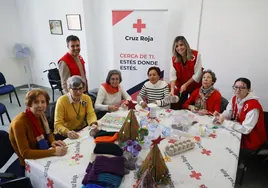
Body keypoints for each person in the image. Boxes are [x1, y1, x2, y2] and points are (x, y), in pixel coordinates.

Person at [9, 89, 67, 168]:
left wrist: (52, 141)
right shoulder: (19, 123)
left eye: (43, 102)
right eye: (36, 102)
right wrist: (53, 152)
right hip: (28, 162)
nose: (40, 105)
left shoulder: (41, 115)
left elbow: (48, 132)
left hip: (42, 150)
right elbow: (25, 153)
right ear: (30, 104)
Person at [214, 78, 267, 151]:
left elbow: (246, 129)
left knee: (222, 147)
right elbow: (228, 112)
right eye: (236, 87)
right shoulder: (235, 98)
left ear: (249, 90)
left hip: (250, 139)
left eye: (242, 88)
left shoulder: (253, 106)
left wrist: (225, 122)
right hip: (238, 132)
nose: (238, 90)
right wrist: (221, 116)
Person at [54, 76, 98, 140]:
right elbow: (57, 124)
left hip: (80, 129)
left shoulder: (86, 98)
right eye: (74, 89)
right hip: (66, 132)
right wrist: (67, 132)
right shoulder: (62, 101)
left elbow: (90, 114)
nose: (78, 92)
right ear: (69, 89)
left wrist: (93, 123)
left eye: (80, 88)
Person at [170, 36, 203, 109]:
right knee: (179, 105)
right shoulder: (174, 59)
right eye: (177, 46)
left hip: (194, 85)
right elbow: (172, 75)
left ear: (186, 45)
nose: (179, 48)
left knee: (194, 106)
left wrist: (186, 84)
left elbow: (198, 74)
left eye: (181, 45)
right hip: (181, 87)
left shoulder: (196, 55)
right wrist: (172, 89)